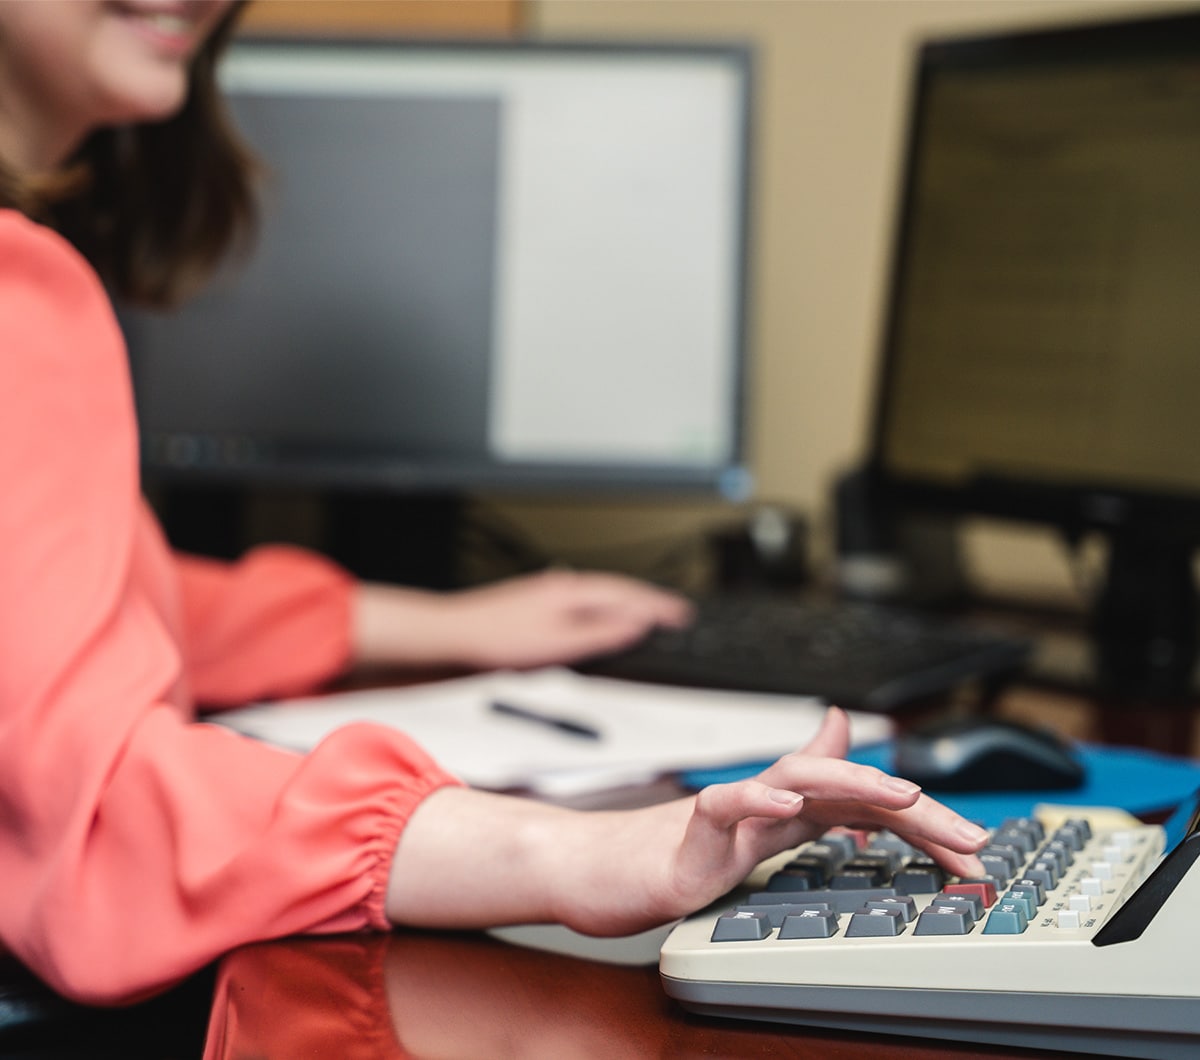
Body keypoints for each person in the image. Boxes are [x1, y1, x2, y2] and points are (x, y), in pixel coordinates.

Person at [0, 0, 989, 1007]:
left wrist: (444, 623)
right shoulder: (16, 291)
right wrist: (575, 853)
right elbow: (89, 802)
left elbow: (69, 617)